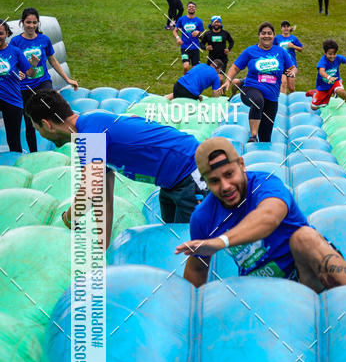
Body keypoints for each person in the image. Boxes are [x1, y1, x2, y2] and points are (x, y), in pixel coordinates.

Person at [24, 88, 208, 246]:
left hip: (192, 170)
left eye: (37, 128)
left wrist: (69, 218)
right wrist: (103, 246)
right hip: (171, 181)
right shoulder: (91, 125)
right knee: (172, 238)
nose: (40, 134)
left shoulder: (90, 133)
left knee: (187, 244)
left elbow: (91, 189)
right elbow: (103, 198)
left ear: (47, 125)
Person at [177, 137, 346, 291]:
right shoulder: (203, 217)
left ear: (241, 164)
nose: (225, 186)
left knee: (305, 237)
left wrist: (220, 241)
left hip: (307, 275)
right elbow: (197, 269)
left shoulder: (266, 184)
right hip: (261, 290)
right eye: (215, 181)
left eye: (229, 174)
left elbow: (268, 217)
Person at [10, 7, 78, 153]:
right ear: (22, 23)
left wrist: (67, 79)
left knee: (56, 112)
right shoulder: (16, 42)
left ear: (38, 23)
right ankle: (35, 154)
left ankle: (65, 147)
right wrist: (18, 73)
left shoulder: (44, 39)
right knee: (30, 123)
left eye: (34, 22)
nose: (31, 25)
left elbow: (52, 60)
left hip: (42, 82)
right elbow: (12, 63)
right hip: (25, 87)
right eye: (28, 22)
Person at [220, 22, 296, 143]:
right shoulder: (250, 51)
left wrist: (293, 72)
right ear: (259, 35)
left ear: (274, 35)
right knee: (257, 100)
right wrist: (228, 80)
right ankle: (253, 136)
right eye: (263, 33)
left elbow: (292, 67)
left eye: (269, 33)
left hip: (272, 97)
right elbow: (235, 67)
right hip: (250, 89)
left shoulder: (280, 52)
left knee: (266, 137)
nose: (266, 36)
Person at [0, 21, 40, 152]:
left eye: (0, 33)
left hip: (12, 100)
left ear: (6, 34)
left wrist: (33, 65)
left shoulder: (15, 51)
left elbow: (30, 73)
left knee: (13, 140)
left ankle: (16, 170)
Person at [309, 39, 346, 111]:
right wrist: (329, 77)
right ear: (325, 53)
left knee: (340, 91)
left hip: (335, 81)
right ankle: (315, 93)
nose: (332, 56)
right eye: (330, 54)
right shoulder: (323, 61)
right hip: (323, 86)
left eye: (334, 54)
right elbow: (321, 71)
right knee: (314, 107)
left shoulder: (338, 58)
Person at [173, 2, 204, 71]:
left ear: (195, 9)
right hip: (185, 48)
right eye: (189, 6)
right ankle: (185, 80)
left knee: (195, 70)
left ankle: (193, 81)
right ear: (187, 9)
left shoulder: (199, 21)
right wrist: (178, 38)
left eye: (193, 7)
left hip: (195, 48)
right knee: (186, 67)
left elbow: (202, 37)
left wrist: (198, 33)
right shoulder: (181, 19)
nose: (191, 8)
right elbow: (175, 31)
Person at [274, 21, 303, 93]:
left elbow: (301, 49)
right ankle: (281, 102)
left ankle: (292, 99)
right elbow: (272, 48)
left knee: (291, 87)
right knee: (283, 83)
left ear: (290, 28)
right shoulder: (277, 38)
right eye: (284, 27)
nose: (286, 28)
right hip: (281, 65)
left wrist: (293, 46)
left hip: (291, 65)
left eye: (287, 26)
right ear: (281, 28)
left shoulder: (294, 38)